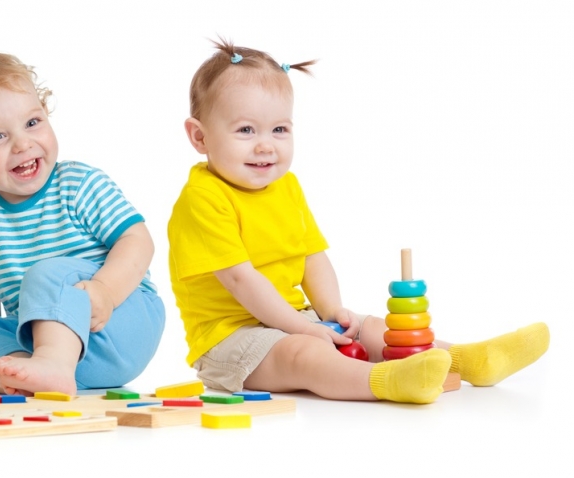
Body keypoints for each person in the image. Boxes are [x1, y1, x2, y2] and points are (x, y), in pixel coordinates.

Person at [167, 39, 549, 404]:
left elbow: (312, 257)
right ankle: (388, 381)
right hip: (230, 340)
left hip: (293, 318)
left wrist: (333, 312)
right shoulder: (203, 198)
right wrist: (303, 328)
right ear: (199, 137)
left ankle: (469, 360)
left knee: (376, 329)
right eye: (245, 130)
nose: (266, 145)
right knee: (303, 354)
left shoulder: (286, 186)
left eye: (279, 129)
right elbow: (241, 280)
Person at [0, 52, 165, 396]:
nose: (23, 143)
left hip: (117, 322)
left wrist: (105, 290)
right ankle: (15, 375)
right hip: (40, 342)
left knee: (46, 273)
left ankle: (51, 366)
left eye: (32, 122)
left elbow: (138, 240)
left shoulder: (79, 184)